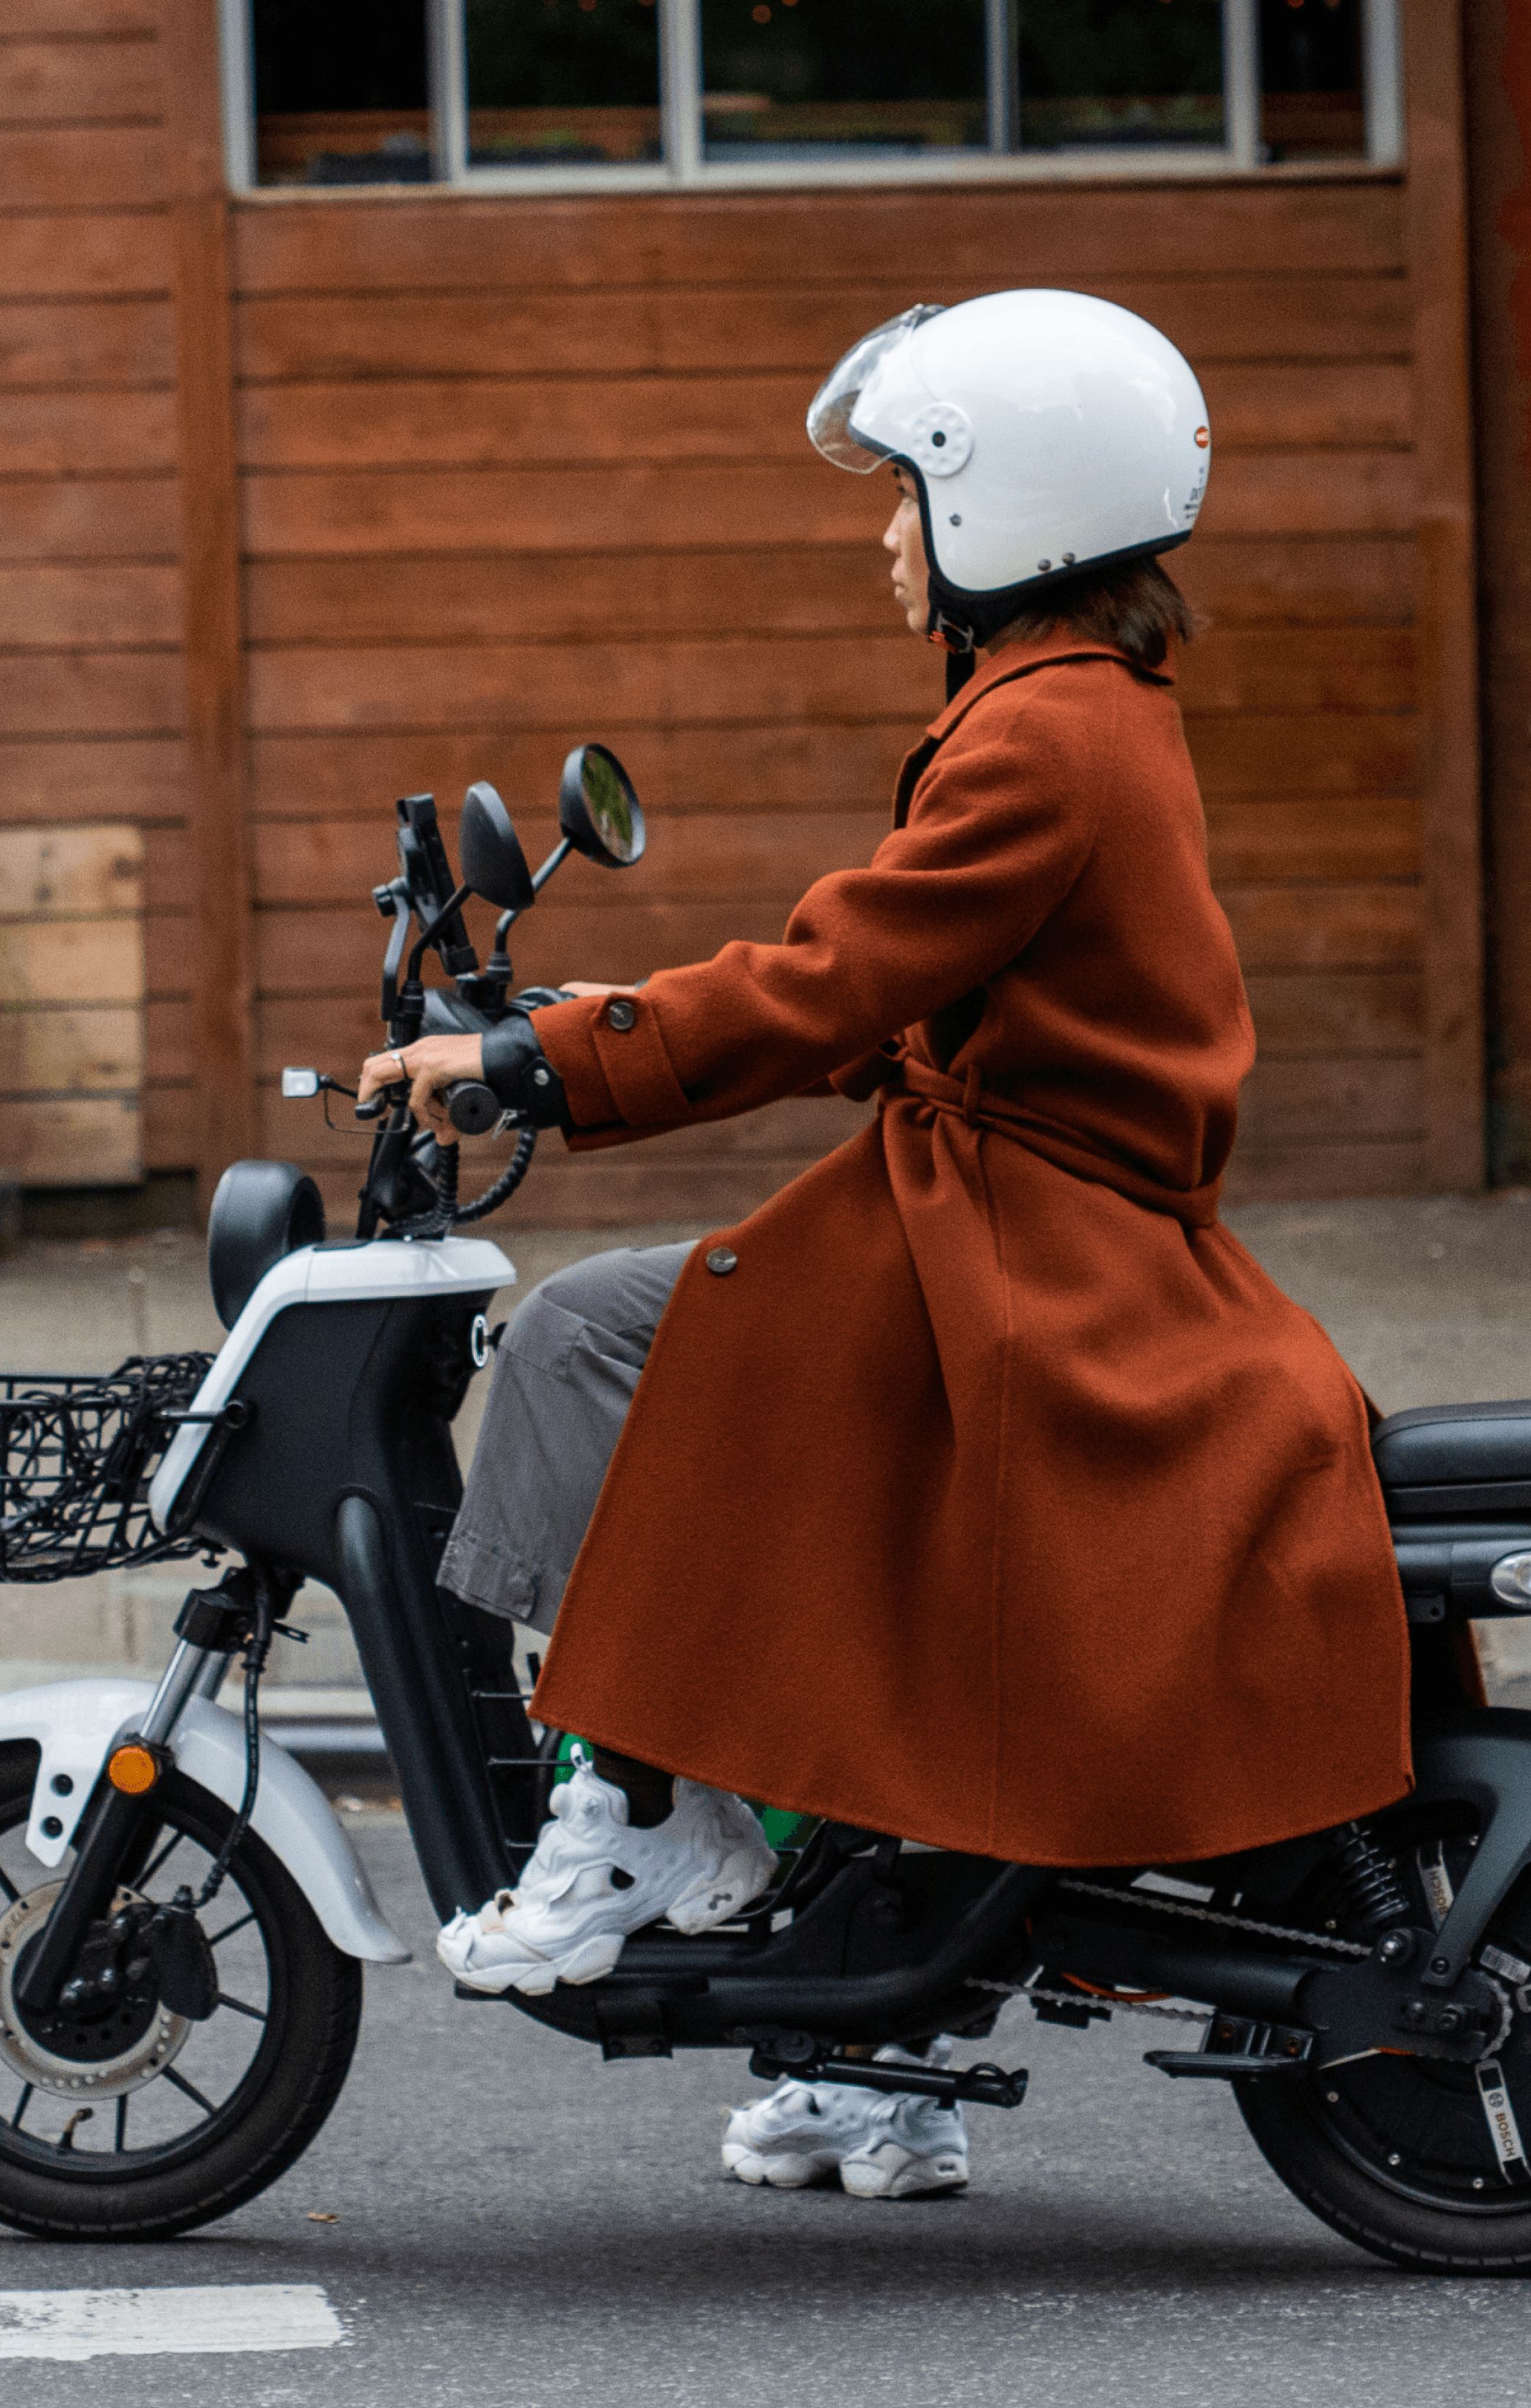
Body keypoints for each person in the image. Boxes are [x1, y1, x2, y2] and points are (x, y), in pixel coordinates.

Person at [356, 289, 1411, 2200]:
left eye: (906, 492)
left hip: (1023, 1246)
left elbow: (831, 977)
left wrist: (539, 1063)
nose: (885, 536)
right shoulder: (1080, 709)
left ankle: (639, 1798)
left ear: (1009, 508)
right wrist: (597, 1019)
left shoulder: (1040, 740)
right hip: (1027, 1217)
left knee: (592, 1333)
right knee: (824, 1519)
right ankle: (872, 2050)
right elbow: (899, 991)